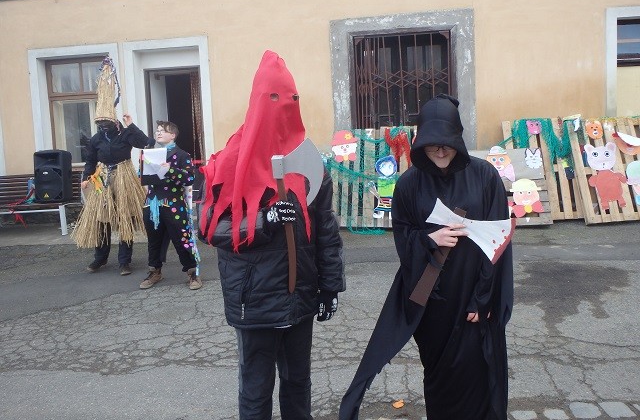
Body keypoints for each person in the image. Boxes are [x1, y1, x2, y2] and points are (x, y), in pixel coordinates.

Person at [340, 94, 514, 420]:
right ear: (421, 143)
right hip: (434, 304)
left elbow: (498, 242)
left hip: (474, 298)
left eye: (447, 143)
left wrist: (485, 299)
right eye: (433, 144)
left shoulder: (484, 177)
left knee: (478, 376)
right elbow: (403, 238)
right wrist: (429, 239)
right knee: (439, 379)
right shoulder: (409, 185)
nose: (441, 151)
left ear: (458, 139)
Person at [199, 50, 345, 420]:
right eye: (275, 98)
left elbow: (326, 230)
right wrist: (264, 221)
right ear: (257, 102)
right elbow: (210, 227)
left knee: (298, 382)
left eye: (293, 99)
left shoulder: (309, 165)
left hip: (300, 297)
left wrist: (330, 287)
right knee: (256, 389)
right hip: (255, 299)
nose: (285, 108)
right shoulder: (227, 163)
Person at [72, 57, 150, 276]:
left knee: (125, 218)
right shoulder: (96, 139)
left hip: (124, 176)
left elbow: (145, 143)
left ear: (114, 121)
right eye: (100, 124)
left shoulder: (125, 133)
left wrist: (131, 125)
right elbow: (90, 160)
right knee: (101, 220)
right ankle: (100, 258)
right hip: (102, 179)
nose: (103, 126)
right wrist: (85, 178)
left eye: (106, 123)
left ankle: (125, 261)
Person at [139, 120, 202, 290]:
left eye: (163, 131)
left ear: (172, 135)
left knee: (182, 239)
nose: (158, 133)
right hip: (152, 203)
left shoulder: (182, 155)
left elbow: (190, 178)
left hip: (173, 203)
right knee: (154, 241)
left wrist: (170, 170)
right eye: (157, 130)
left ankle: (193, 272)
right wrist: (143, 170)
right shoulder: (150, 154)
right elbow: (141, 176)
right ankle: (155, 271)